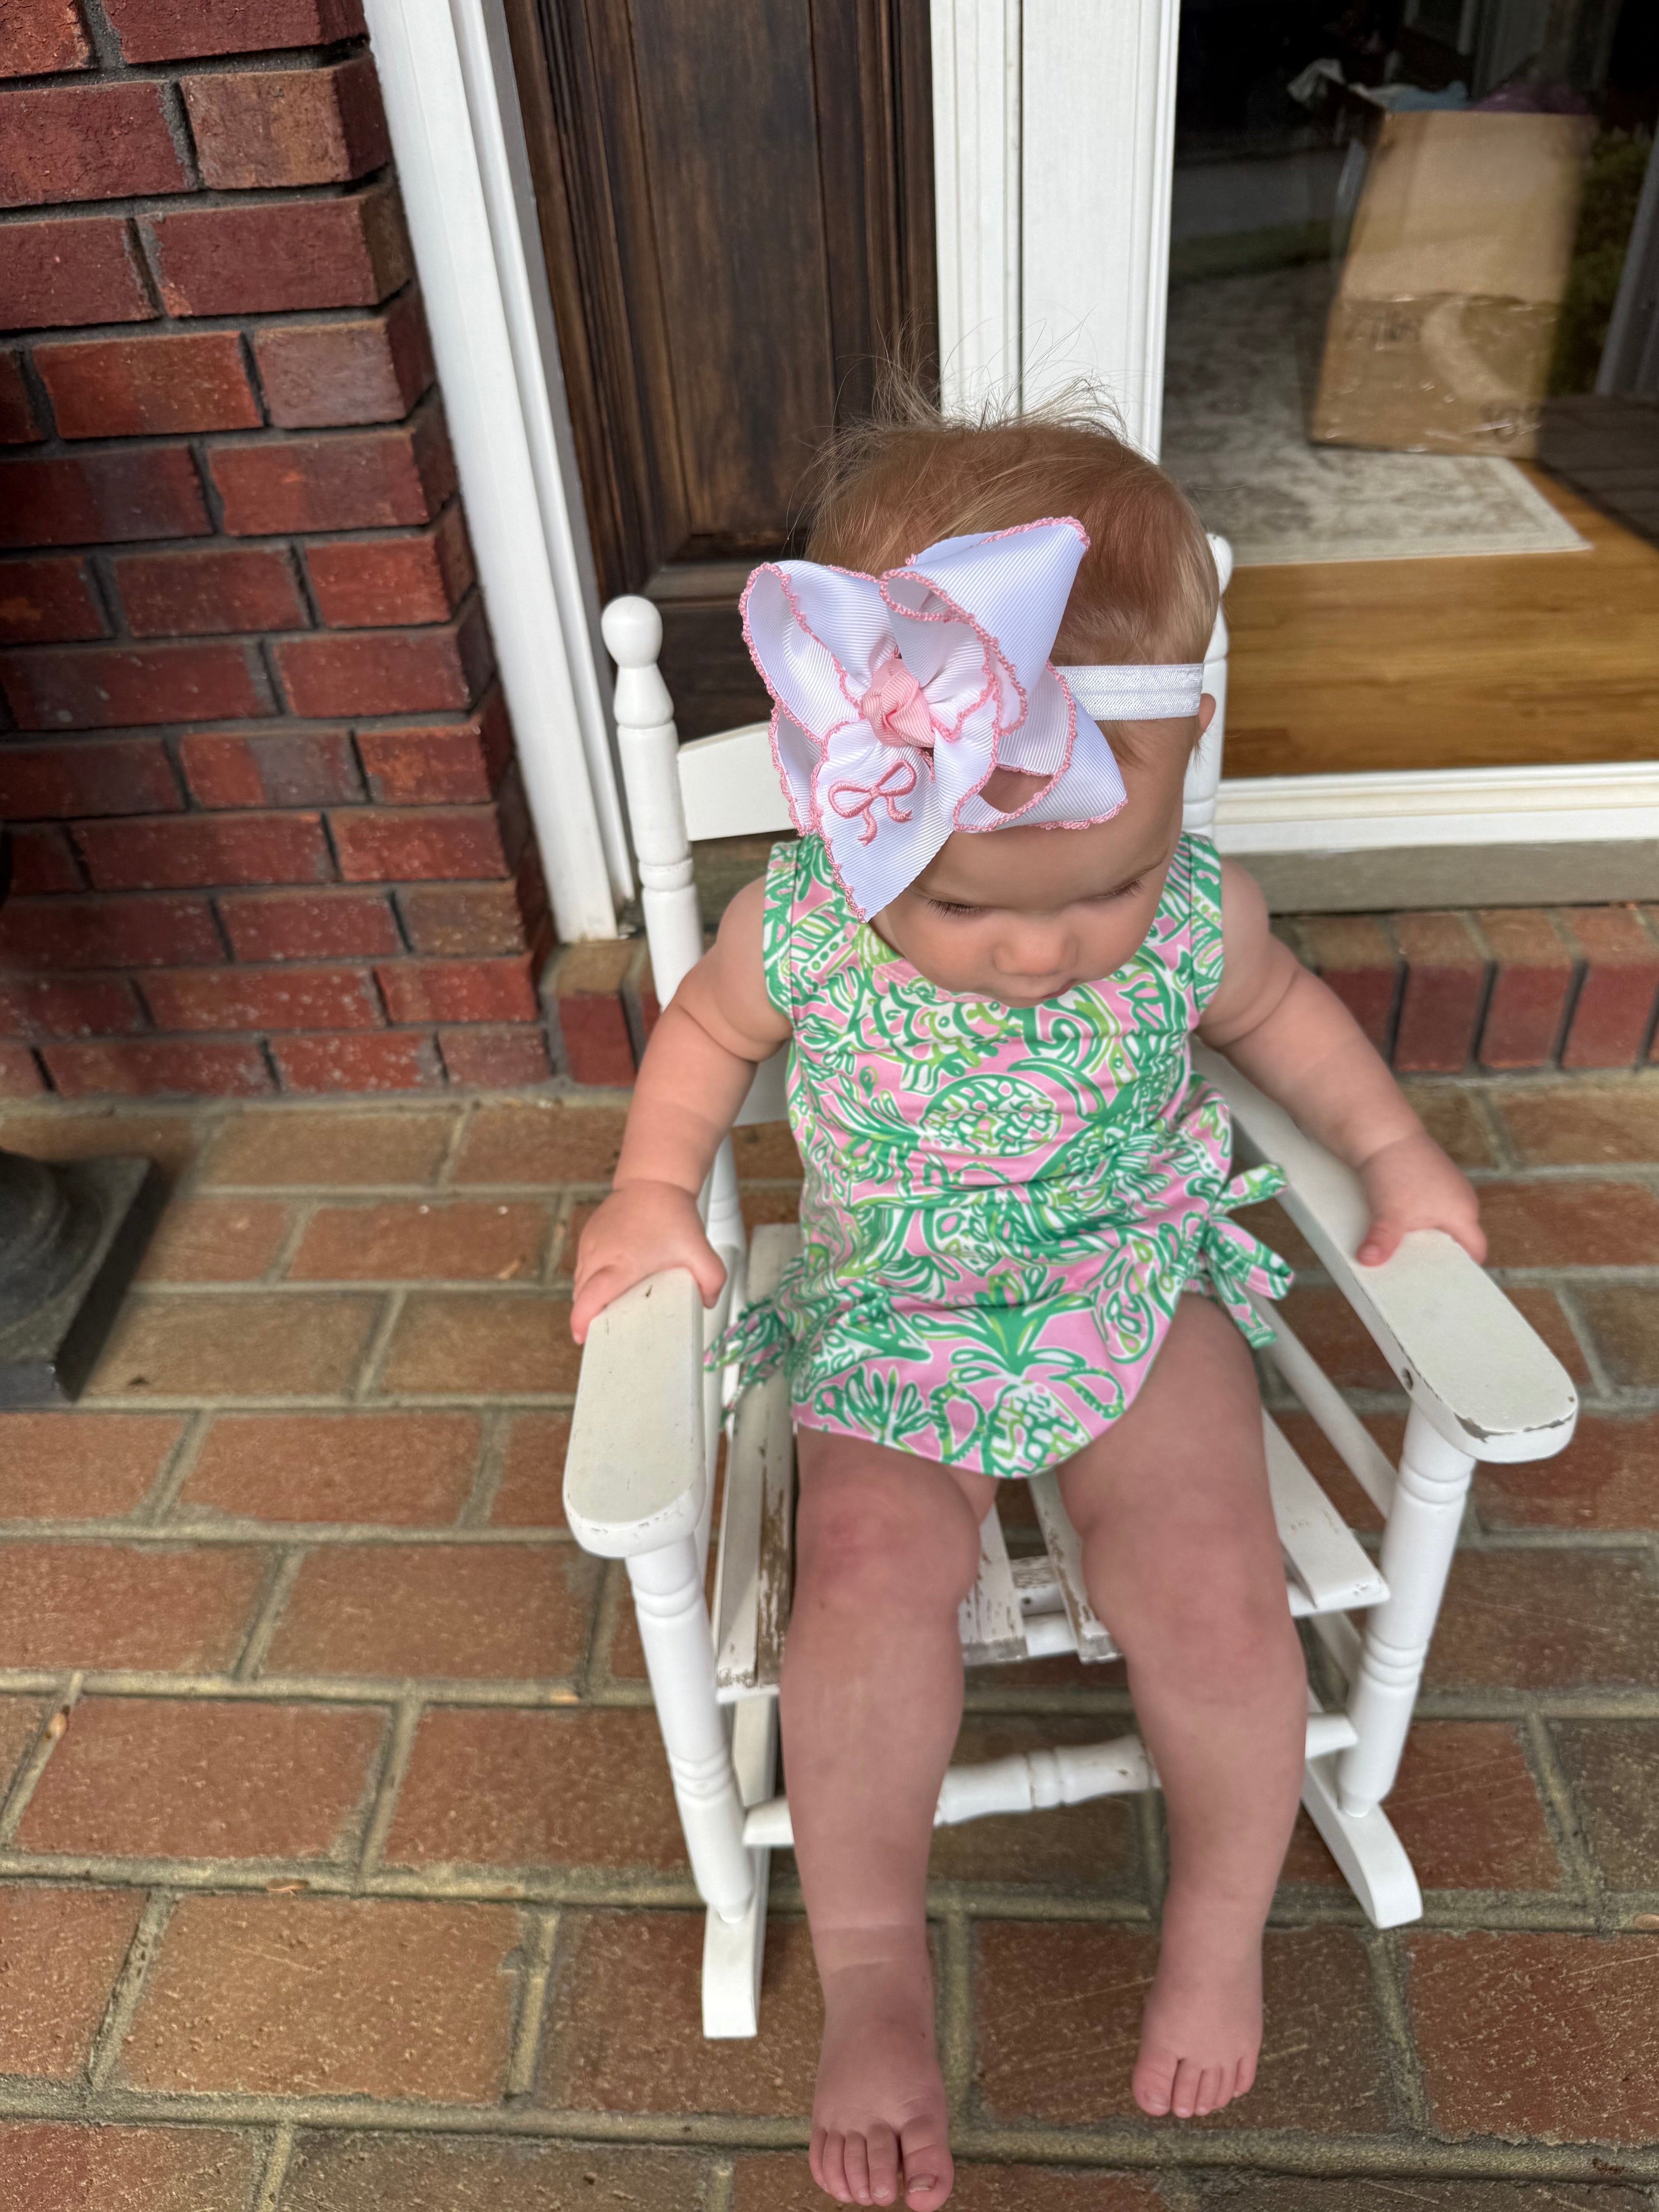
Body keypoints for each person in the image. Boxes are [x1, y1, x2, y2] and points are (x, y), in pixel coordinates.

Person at [571, 394, 1484, 2211]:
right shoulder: (807, 918)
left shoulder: (1196, 911)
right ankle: (876, 1974)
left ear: (1180, 767)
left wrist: (1395, 1154)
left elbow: (1283, 1020)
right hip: (893, 1294)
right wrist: (653, 1187)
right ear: (855, 794)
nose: (1044, 951)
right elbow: (705, 1040)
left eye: (1110, 889)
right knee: (861, 1576)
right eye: (967, 909)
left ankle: (1219, 1919)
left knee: (1211, 1581)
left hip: (1126, 1269)